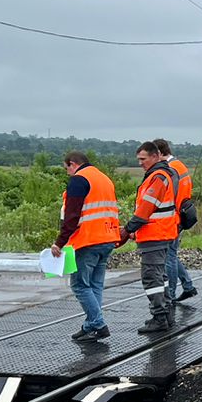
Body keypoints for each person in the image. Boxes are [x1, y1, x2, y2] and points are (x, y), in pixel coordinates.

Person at [49, 151, 121, 343]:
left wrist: (59, 242)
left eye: (67, 169)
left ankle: (98, 323)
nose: (68, 174)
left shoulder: (79, 180)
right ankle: (91, 325)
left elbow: (72, 216)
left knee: (80, 285)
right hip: (108, 238)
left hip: (88, 240)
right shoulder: (104, 179)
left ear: (73, 164)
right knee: (95, 285)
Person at [122, 140, 180, 334]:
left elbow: (146, 208)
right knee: (160, 276)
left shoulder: (158, 177)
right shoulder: (160, 175)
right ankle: (166, 314)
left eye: (143, 159)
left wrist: (128, 228)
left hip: (155, 234)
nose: (140, 163)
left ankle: (159, 317)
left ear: (155, 156)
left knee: (151, 276)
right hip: (159, 232)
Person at [154, 138, 197, 303]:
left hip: (174, 217)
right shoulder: (180, 166)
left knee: (168, 257)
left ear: (158, 154)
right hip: (182, 214)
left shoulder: (170, 169)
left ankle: (170, 295)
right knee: (171, 254)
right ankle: (188, 286)